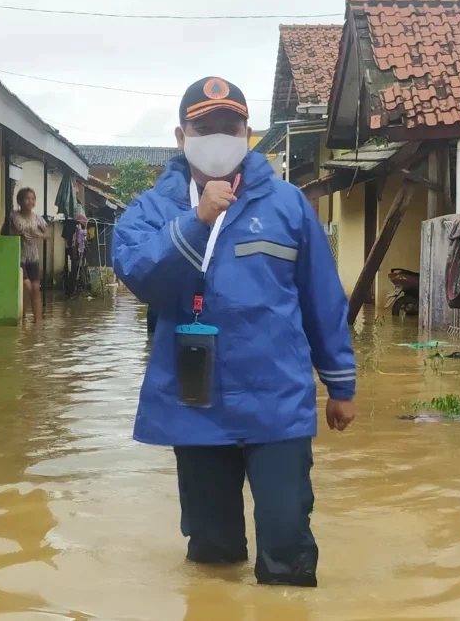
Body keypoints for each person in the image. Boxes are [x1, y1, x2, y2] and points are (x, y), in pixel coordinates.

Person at [113, 76, 357, 587]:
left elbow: (322, 299)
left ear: (248, 133)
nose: (219, 137)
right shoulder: (152, 211)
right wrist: (196, 220)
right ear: (181, 137)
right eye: (205, 127)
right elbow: (138, 275)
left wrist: (340, 385)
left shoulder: (289, 206)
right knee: (212, 555)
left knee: (288, 548)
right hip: (196, 403)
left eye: (231, 126)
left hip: (278, 400)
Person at [10, 187, 48, 324]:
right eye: (27, 198)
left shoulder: (38, 219)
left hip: (33, 257)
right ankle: (23, 316)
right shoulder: (13, 216)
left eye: (32, 199)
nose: (30, 201)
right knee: (27, 286)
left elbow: (47, 235)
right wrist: (17, 235)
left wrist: (39, 235)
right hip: (18, 255)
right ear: (20, 201)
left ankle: (38, 322)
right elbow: (4, 233)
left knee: (36, 289)